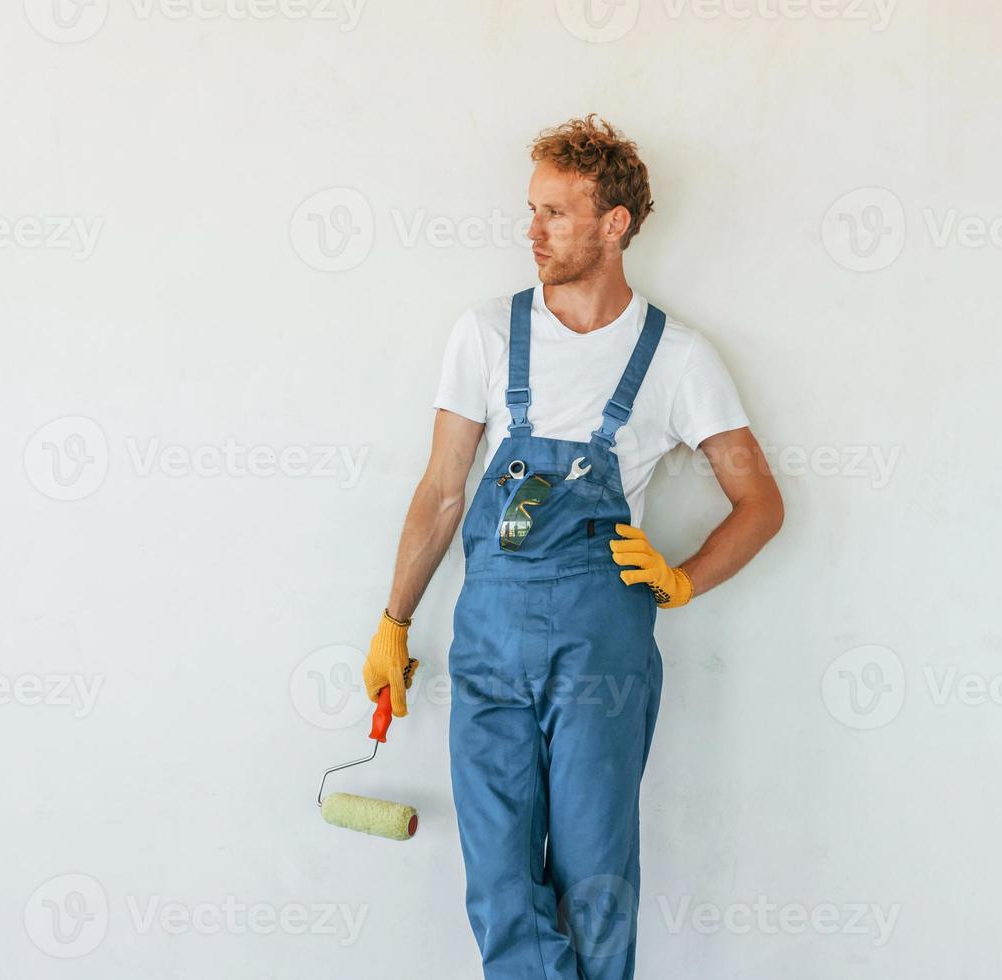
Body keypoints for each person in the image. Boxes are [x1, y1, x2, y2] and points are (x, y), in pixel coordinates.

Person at [361, 114, 784, 980]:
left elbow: (760, 502)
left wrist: (682, 580)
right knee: (499, 885)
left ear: (614, 224)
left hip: (604, 644)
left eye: (555, 212)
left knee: (593, 880)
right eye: (532, 209)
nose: (533, 230)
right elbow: (443, 491)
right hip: (490, 640)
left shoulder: (678, 358)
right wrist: (393, 620)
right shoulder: (485, 333)